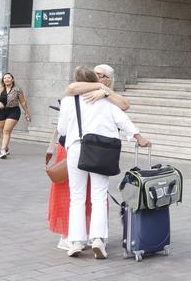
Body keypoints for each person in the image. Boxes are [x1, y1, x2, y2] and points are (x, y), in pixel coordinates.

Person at [57, 66, 150, 259]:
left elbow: (62, 129)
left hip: (76, 149)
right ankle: (98, 239)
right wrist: (138, 137)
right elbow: (124, 121)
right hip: (100, 150)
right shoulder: (106, 101)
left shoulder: (68, 101)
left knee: (77, 196)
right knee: (99, 195)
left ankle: (75, 242)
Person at [45, 127, 92, 251]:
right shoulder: (69, 106)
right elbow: (62, 126)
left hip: (87, 145)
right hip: (70, 145)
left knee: (87, 191)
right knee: (67, 191)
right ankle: (66, 235)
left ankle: (82, 233)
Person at [0, 72, 31, 158]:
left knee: (6, 131)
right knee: (3, 131)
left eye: (8, 78)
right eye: (5, 78)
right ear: (3, 80)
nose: (6, 79)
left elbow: (22, 102)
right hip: (2, 111)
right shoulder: (0, 88)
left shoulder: (17, 89)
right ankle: (6, 147)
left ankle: (3, 150)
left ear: (12, 79)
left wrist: (27, 112)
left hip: (14, 111)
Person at [64, 64, 131, 111]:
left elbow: (126, 105)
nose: (95, 76)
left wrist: (105, 93)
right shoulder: (84, 88)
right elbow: (71, 89)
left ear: (108, 80)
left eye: (99, 75)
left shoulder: (108, 97)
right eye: (93, 73)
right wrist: (100, 85)